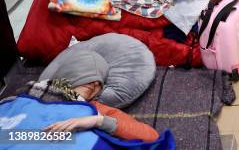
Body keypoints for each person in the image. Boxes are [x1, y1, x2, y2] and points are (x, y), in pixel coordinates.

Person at [26, 51, 159, 142]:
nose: (95, 82)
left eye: (100, 81)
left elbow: (151, 136)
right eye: (88, 73)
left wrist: (98, 121)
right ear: (69, 73)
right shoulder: (30, 93)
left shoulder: (96, 110)